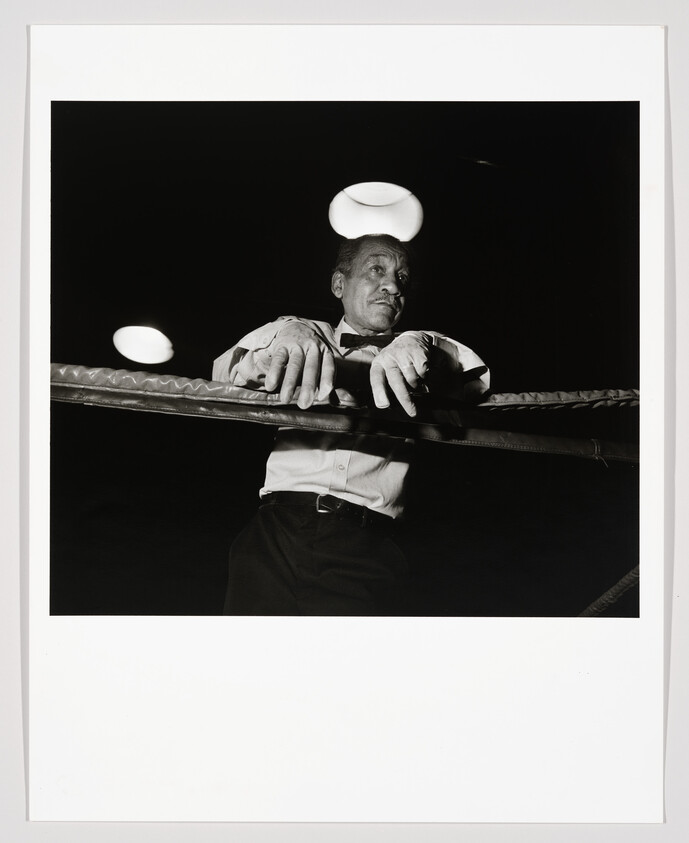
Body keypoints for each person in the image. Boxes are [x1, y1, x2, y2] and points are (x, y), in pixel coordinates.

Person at [212, 234, 489, 616]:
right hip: (275, 535)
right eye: (377, 269)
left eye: (402, 278)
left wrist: (424, 343)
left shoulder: (419, 353)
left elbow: (475, 380)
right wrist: (286, 332)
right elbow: (226, 371)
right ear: (339, 284)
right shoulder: (303, 331)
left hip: (368, 545)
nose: (392, 285)